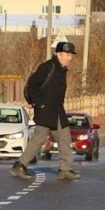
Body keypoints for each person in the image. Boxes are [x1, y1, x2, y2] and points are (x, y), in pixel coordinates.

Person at [11, 40, 80, 182]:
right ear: (58, 54)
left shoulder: (62, 70)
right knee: (39, 139)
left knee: (65, 137)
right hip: (45, 110)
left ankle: (65, 169)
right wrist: (38, 103)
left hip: (57, 111)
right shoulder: (48, 67)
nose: (70, 58)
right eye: (67, 54)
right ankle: (19, 165)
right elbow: (32, 85)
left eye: (71, 55)